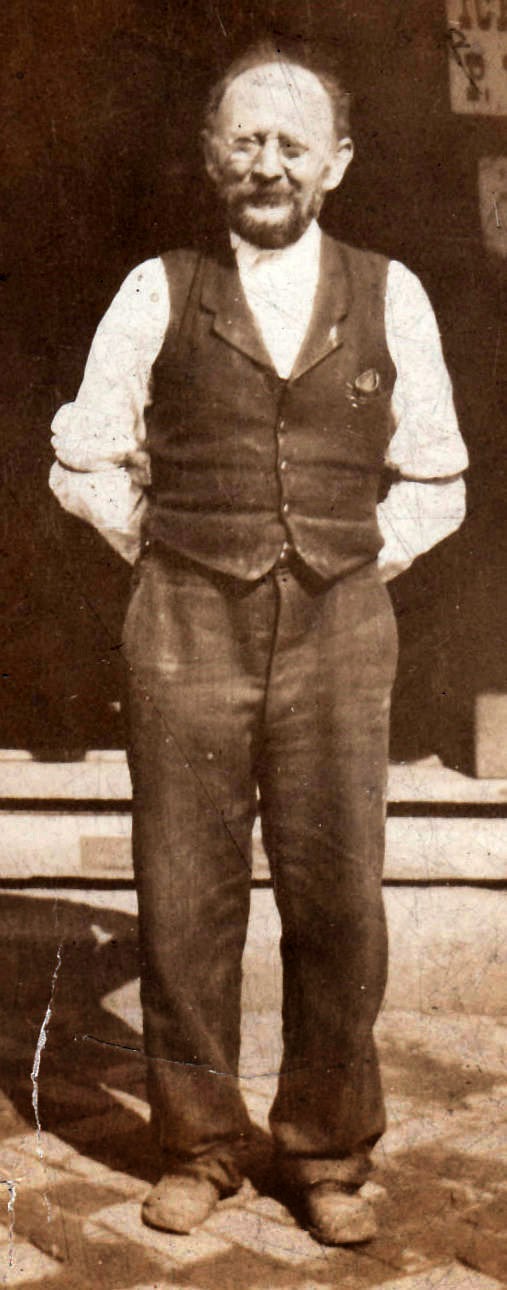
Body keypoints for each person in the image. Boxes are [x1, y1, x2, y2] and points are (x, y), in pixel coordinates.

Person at [50, 39, 468, 1246]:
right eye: (246, 141)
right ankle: (200, 1147)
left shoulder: (391, 293)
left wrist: (349, 562)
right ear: (211, 157)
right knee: (184, 893)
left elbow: (437, 477)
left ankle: (327, 1152)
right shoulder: (158, 288)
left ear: (337, 162)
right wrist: (165, 546)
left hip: (342, 625)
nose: (268, 164)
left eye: (294, 143)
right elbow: (82, 457)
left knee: (339, 896)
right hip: (185, 623)